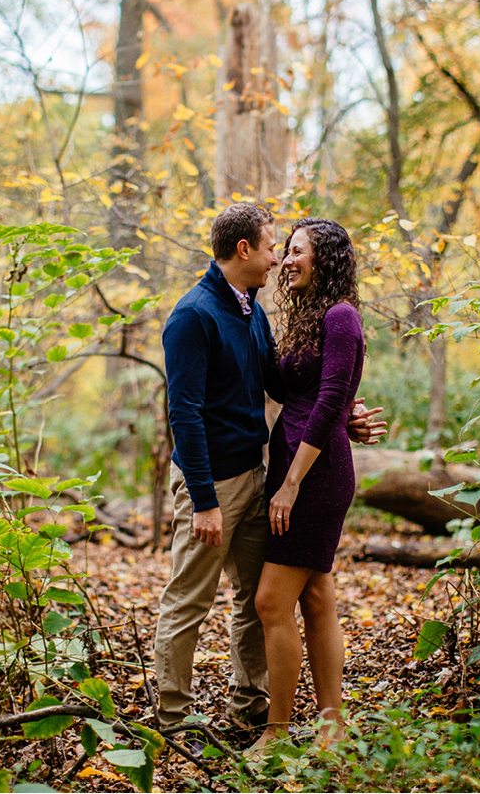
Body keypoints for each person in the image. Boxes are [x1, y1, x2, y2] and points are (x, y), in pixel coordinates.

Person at [154, 203, 383, 737]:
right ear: (244, 250)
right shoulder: (194, 315)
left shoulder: (253, 313)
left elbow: (304, 391)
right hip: (211, 480)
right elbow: (183, 413)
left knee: (258, 600)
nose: (279, 258)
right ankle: (171, 719)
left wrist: (342, 414)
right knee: (191, 598)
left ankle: (253, 707)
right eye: (274, 246)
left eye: (291, 248)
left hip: (263, 477)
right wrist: (205, 498)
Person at [251, 217, 370, 749]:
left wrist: (291, 482)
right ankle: (330, 726)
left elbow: (329, 399)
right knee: (317, 598)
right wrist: (249, 313)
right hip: (293, 465)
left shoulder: (342, 316)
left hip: (314, 475)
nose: (288, 260)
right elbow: (286, 387)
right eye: (287, 250)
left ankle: (278, 733)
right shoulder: (307, 319)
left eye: (297, 250)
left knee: (271, 603)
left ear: (326, 259)